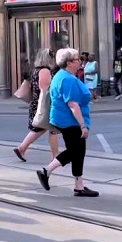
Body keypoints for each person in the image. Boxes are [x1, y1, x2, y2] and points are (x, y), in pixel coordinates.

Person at [36, 48, 97, 197]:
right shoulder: (68, 79)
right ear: (69, 63)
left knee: (78, 151)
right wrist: (83, 125)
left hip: (61, 119)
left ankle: (79, 185)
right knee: (75, 151)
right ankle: (47, 171)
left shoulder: (60, 75)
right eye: (77, 60)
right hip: (70, 121)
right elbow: (73, 105)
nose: (80, 62)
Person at [13, 49, 60, 162]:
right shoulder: (44, 71)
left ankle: (22, 148)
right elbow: (45, 90)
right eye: (51, 57)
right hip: (44, 104)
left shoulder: (35, 70)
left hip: (37, 103)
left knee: (39, 128)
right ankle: (55, 156)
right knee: (53, 129)